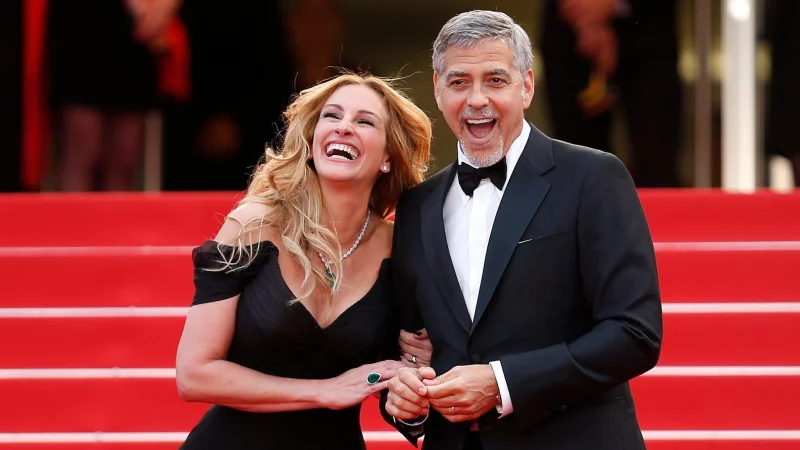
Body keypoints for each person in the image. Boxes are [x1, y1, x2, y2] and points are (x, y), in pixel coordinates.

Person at [382, 10, 663, 450]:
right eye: (459, 82)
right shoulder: (416, 207)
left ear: (526, 86)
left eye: (495, 80)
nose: (477, 99)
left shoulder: (593, 177)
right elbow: (412, 347)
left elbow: (634, 334)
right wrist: (406, 399)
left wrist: (500, 383)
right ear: (437, 91)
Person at [175, 72, 434, 449]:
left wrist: (412, 386)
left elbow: (404, 383)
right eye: (332, 116)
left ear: (388, 159)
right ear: (312, 141)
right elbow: (193, 375)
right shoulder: (255, 224)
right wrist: (324, 391)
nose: (344, 127)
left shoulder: (403, 249)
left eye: (364, 121)